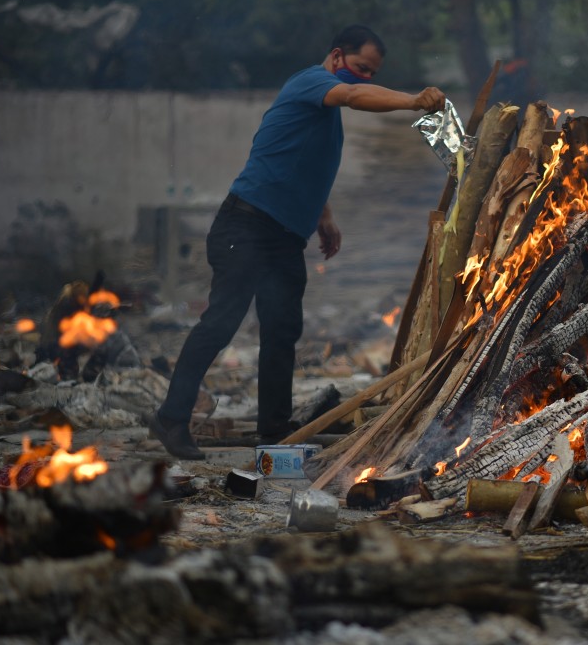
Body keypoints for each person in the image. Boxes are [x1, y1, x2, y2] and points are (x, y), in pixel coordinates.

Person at [149, 25, 446, 460]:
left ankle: (273, 433)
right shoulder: (314, 83)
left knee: (282, 331)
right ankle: (171, 419)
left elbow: (302, 163)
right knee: (220, 324)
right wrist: (411, 100)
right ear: (338, 56)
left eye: (371, 73)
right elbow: (354, 97)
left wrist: (323, 217)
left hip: (284, 238)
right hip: (245, 226)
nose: (363, 79)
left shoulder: (324, 113)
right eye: (361, 69)